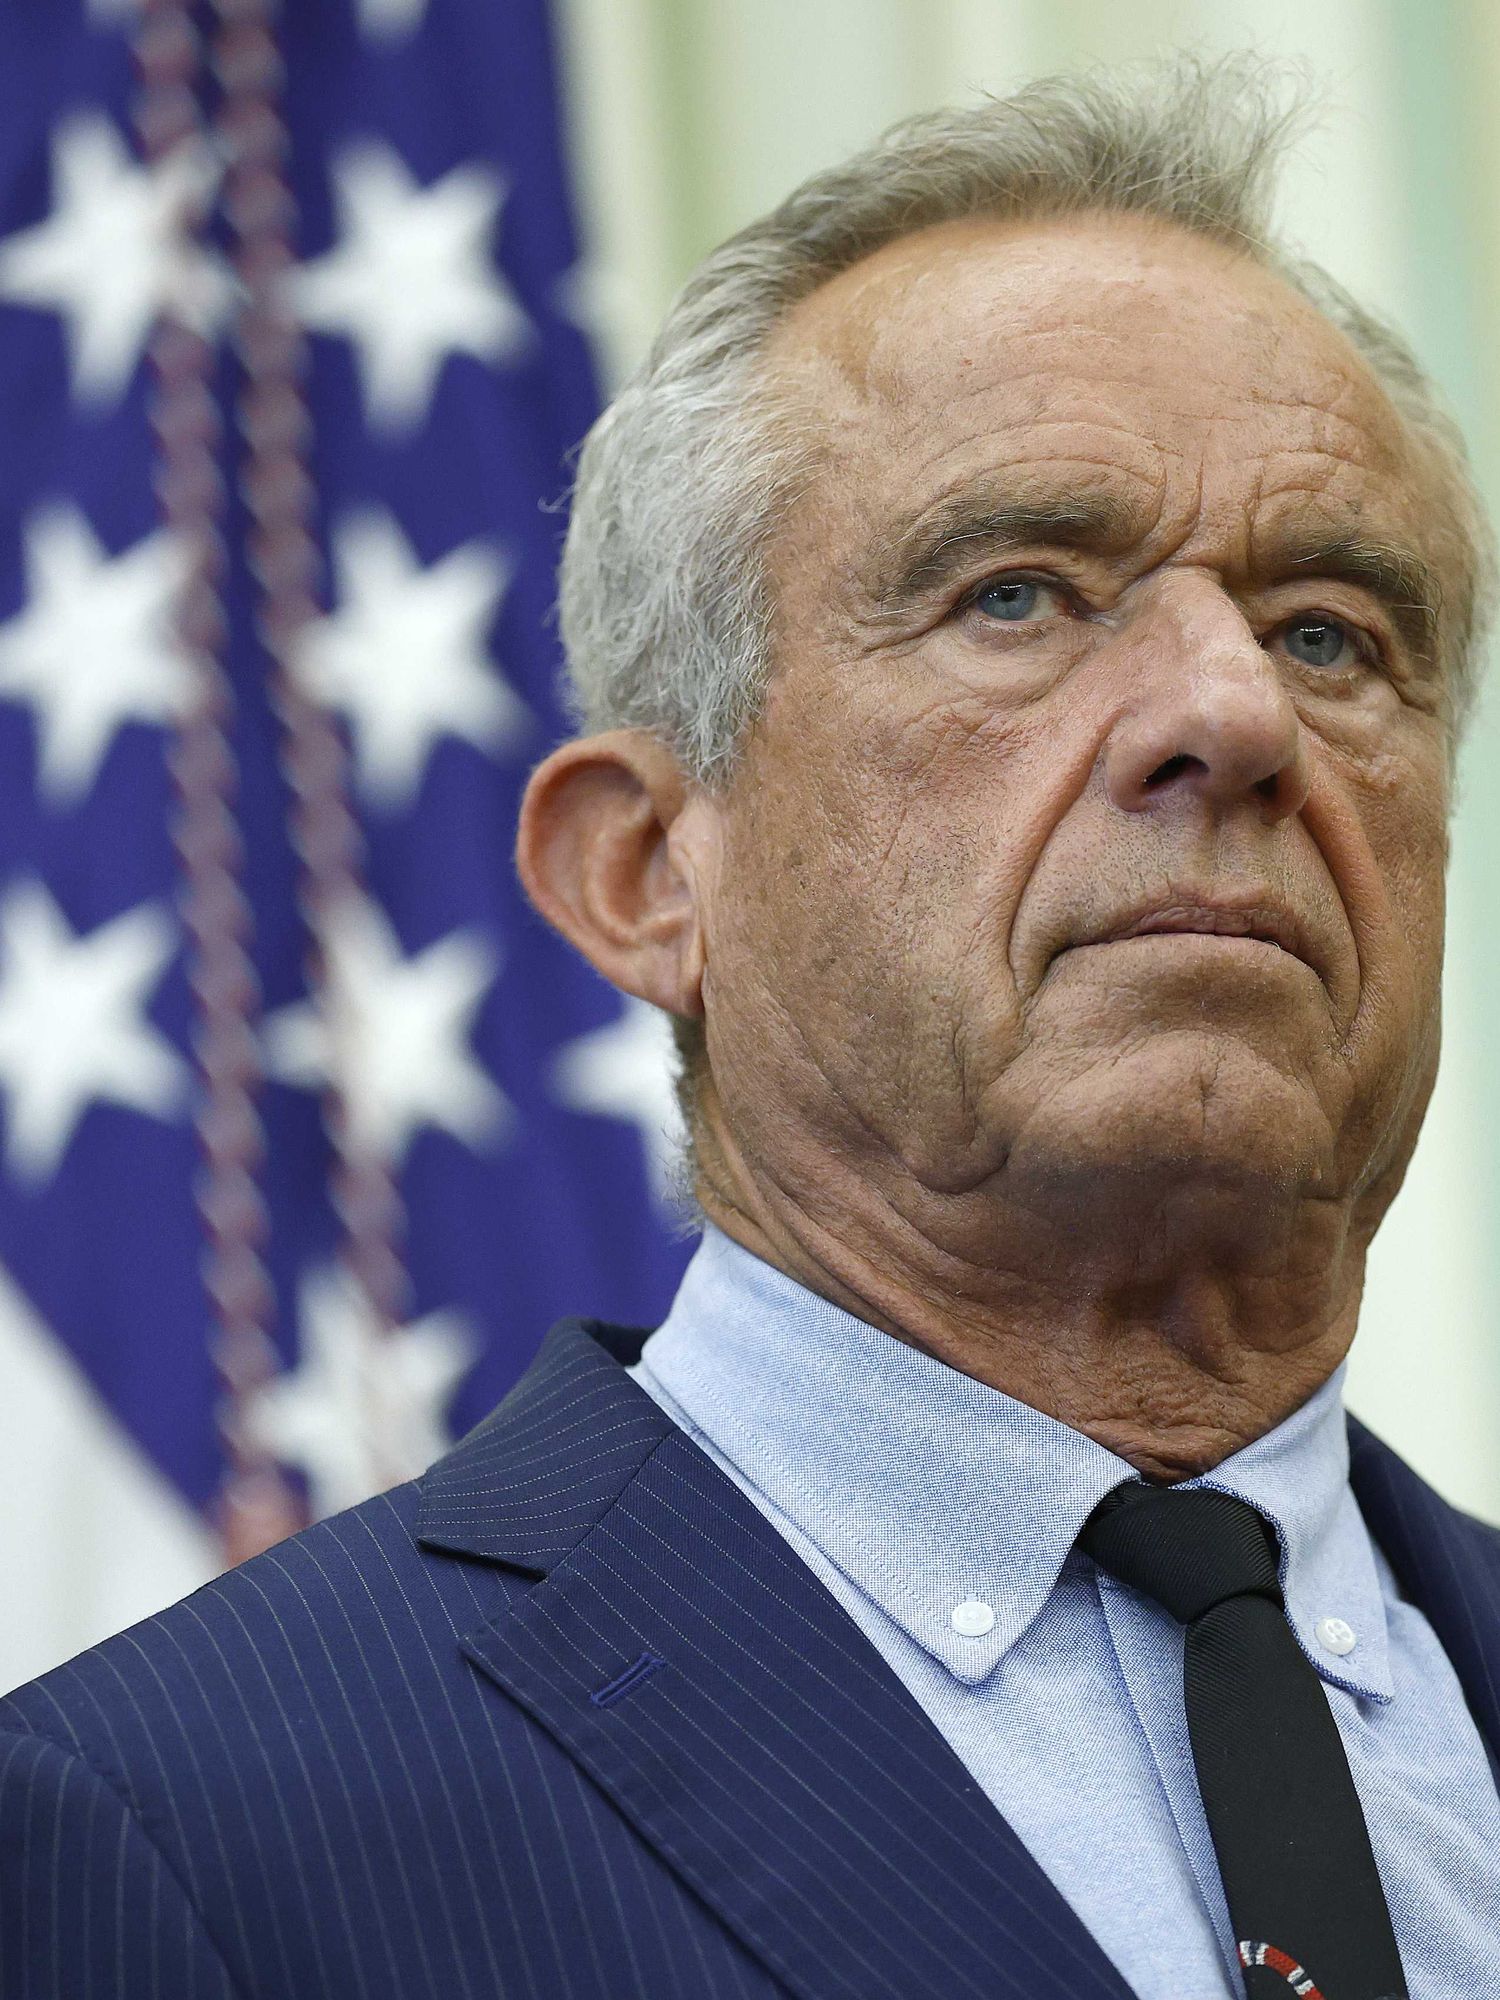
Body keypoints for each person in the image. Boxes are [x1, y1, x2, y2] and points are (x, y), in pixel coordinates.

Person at [3, 57, 1499, 2000]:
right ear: (643, 872)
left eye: (1331, 631)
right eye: (1022, 594)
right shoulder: (180, 1828)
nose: (1234, 713)